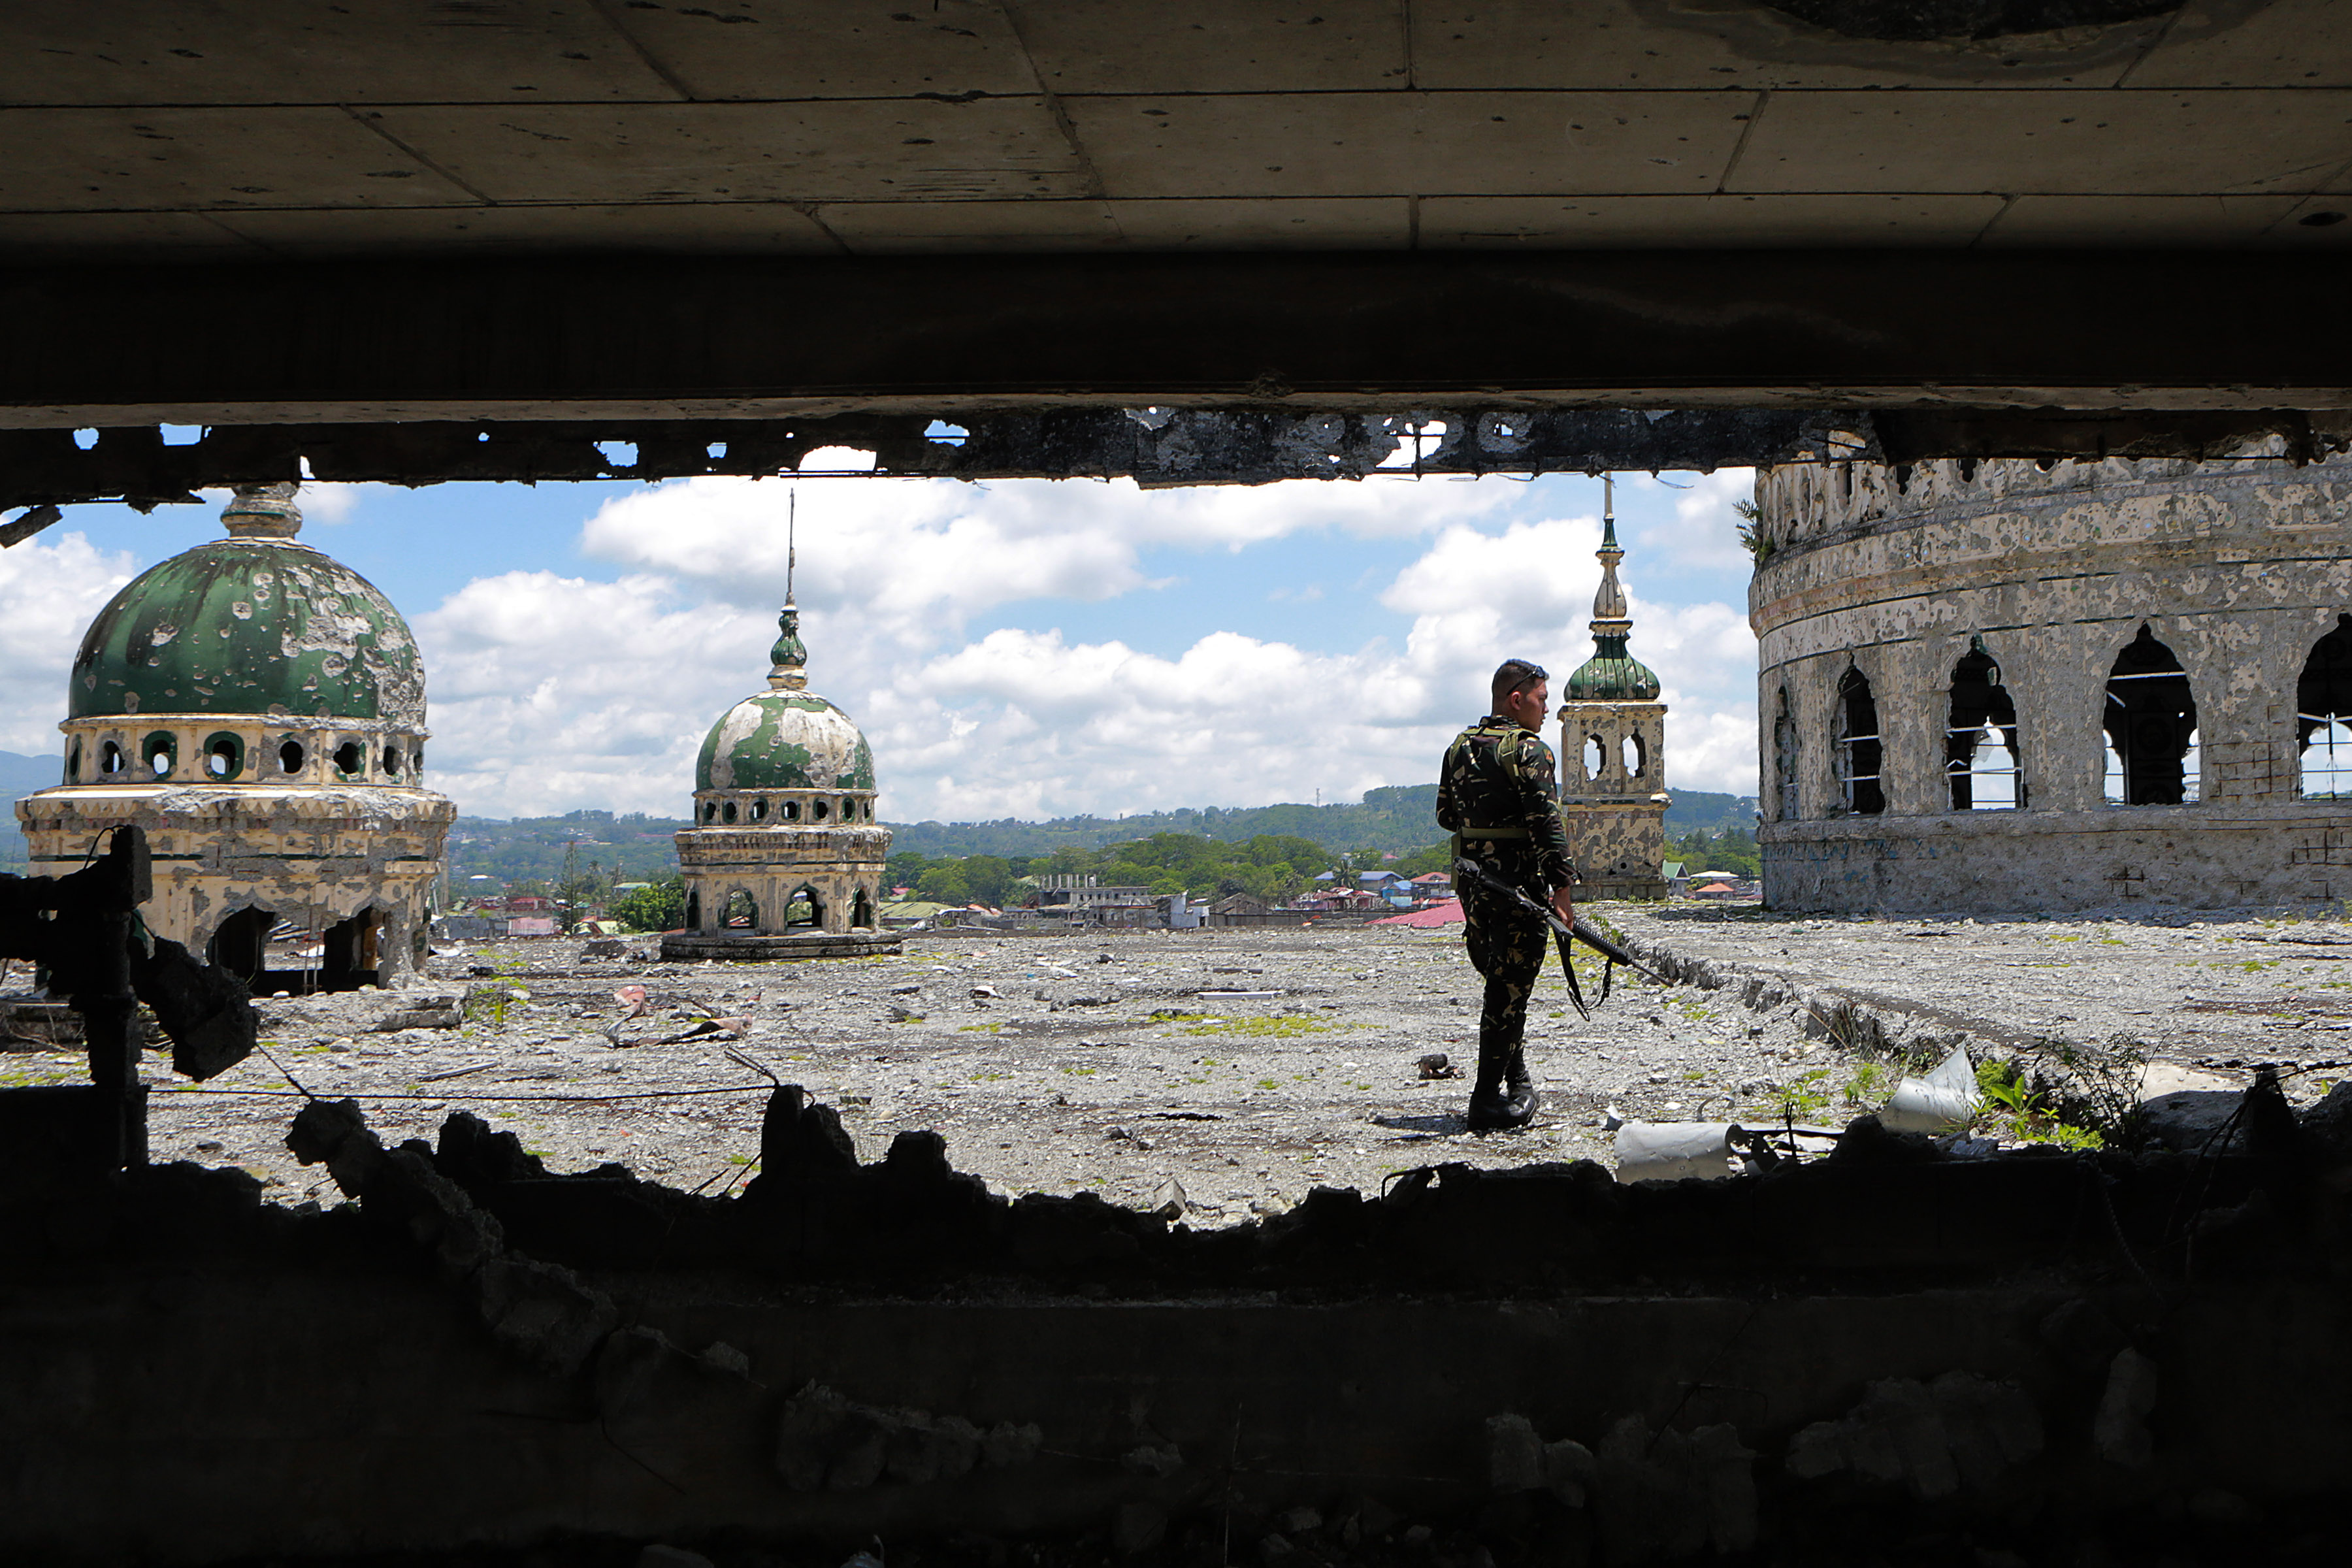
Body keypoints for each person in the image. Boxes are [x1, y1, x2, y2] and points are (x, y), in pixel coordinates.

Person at [1435, 658, 1576, 1131]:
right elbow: (1548, 825)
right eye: (1540, 698)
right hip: (1520, 889)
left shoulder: (1459, 748)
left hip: (1475, 889)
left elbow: (1445, 817)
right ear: (1516, 700)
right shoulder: (1529, 751)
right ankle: (1485, 1100)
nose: (1546, 708)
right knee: (1508, 990)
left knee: (1501, 986)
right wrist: (1563, 892)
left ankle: (1516, 1081)